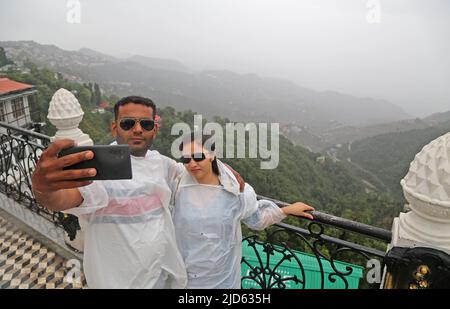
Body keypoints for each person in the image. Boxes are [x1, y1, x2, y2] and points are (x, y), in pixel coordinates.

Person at [31, 96, 188, 289]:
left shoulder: (162, 163)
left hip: (160, 276)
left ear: (154, 130)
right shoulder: (99, 170)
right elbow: (65, 198)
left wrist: (222, 171)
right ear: (115, 128)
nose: (137, 129)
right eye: (128, 123)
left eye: (146, 124)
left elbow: (192, 172)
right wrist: (42, 188)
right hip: (116, 282)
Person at [170, 132, 315, 289]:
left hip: (220, 279)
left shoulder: (234, 191)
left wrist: (286, 210)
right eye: (186, 159)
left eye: (198, 156)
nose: (192, 164)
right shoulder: (177, 186)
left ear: (212, 155)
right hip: (182, 277)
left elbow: (257, 219)